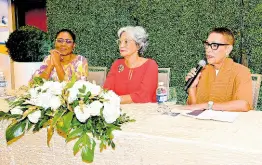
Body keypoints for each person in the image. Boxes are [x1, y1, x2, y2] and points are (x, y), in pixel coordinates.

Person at [184, 27, 253, 112]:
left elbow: (244, 104)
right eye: (207, 44)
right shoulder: (203, 71)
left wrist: (208, 105)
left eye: (214, 45)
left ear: (228, 49)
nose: (208, 50)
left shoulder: (241, 71)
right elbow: (193, 107)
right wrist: (192, 87)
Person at [103, 26, 158, 104]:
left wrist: (115, 100)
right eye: (120, 42)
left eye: (126, 42)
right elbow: (106, 90)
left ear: (138, 45)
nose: (121, 46)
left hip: (144, 112)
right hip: (117, 112)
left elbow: (144, 96)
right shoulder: (117, 64)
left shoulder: (150, 65)